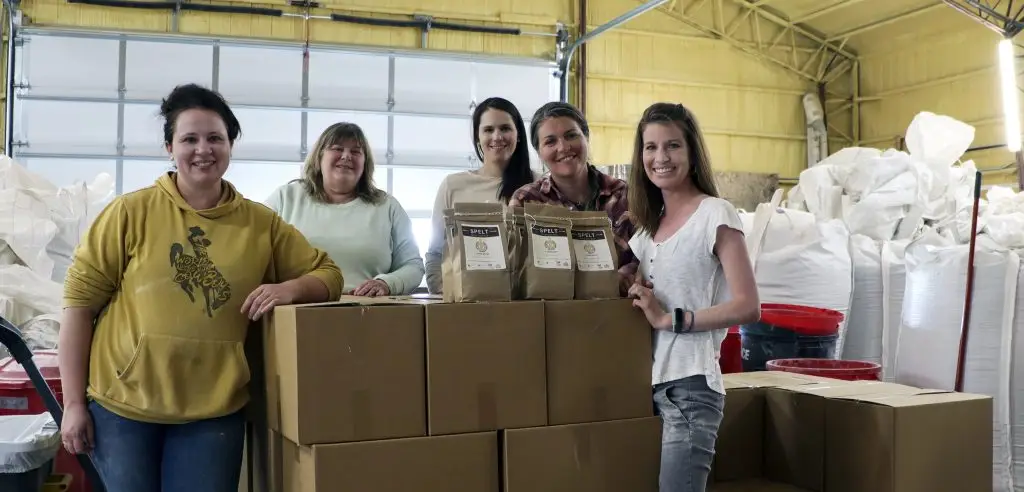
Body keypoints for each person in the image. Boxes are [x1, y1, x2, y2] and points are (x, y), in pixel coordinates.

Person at [57, 83, 345, 492]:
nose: (203, 149)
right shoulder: (129, 212)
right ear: (169, 147)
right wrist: (72, 404)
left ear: (231, 145)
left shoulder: (260, 224)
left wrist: (290, 289)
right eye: (189, 138)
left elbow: (329, 274)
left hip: (212, 413)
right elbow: (78, 306)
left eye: (215, 138)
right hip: (122, 408)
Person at [625, 102, 760, 492]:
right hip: (649, 384)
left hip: (690, 387)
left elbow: (748, 306)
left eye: (672, 146)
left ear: (691, 152)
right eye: (650, 148)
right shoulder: (649, 230)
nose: (660, 158)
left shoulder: (715, 214)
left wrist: (672, 319)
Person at [266, 122, 424, 296]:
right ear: (319, 157)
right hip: (298, 309)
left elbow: (413, 265)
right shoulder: (285, 198)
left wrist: (387, 283)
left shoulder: (387, 206)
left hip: (368, 311)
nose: (346, 156)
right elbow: (255, 250)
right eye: (337, 148)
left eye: (356, 152)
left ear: (365, 164)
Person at [509, 101, 637, 292]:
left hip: (618, 311)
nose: (563, 147)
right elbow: (515, 269)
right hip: (550, 314)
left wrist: (624, 275)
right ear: (539, 152)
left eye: (571, 135)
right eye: (550, 141)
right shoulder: (526, 200)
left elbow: (648, 256)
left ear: (586, 137)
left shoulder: (625, 195)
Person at [424, 96, 536, 294]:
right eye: (488, 130)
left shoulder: (538, 184)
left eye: (505, 128)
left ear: (518, 134)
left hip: (523, 303)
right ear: (477, 137)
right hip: (465, 304)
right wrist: (442, 291)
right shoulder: (453, 185)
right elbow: (435, 252)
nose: (497, 136)